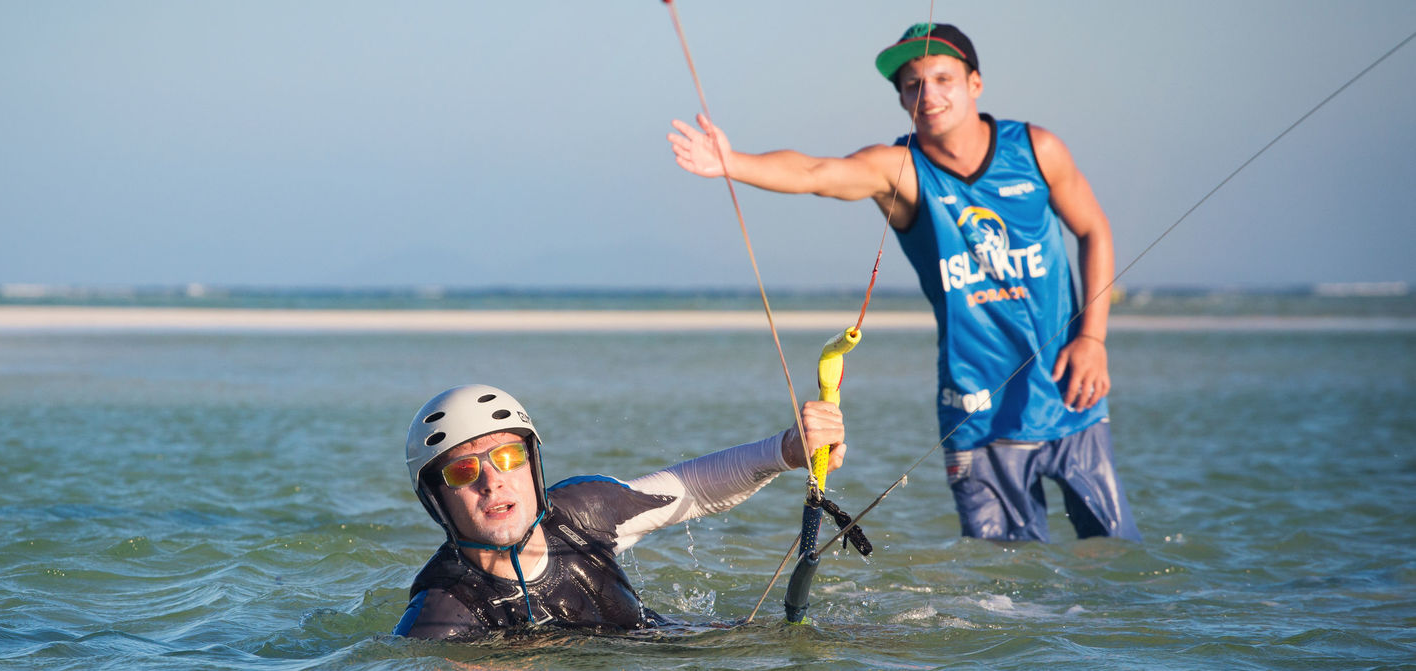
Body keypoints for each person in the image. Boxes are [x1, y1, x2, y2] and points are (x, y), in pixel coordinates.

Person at [667, 23, 1139, 543]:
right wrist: (732, 163)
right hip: (976, 411)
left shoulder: (1037, 149)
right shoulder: (901, 170)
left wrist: (1092, 338)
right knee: (1009, 583)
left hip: (1070, 389)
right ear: (902, 99)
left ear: (975, 83)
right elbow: (816, 172)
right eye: (913, 85)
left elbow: (1094, 229)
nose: (929, 94)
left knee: (1116, 557)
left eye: (943, 78)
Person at [394, 384, 845, 640]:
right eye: (463, 471)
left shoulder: (583, 513)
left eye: (509, 457)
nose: (492, 481)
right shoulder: (442, 614)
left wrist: (787, 450)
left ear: (533, 465)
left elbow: (692, 487)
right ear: (436, 499)